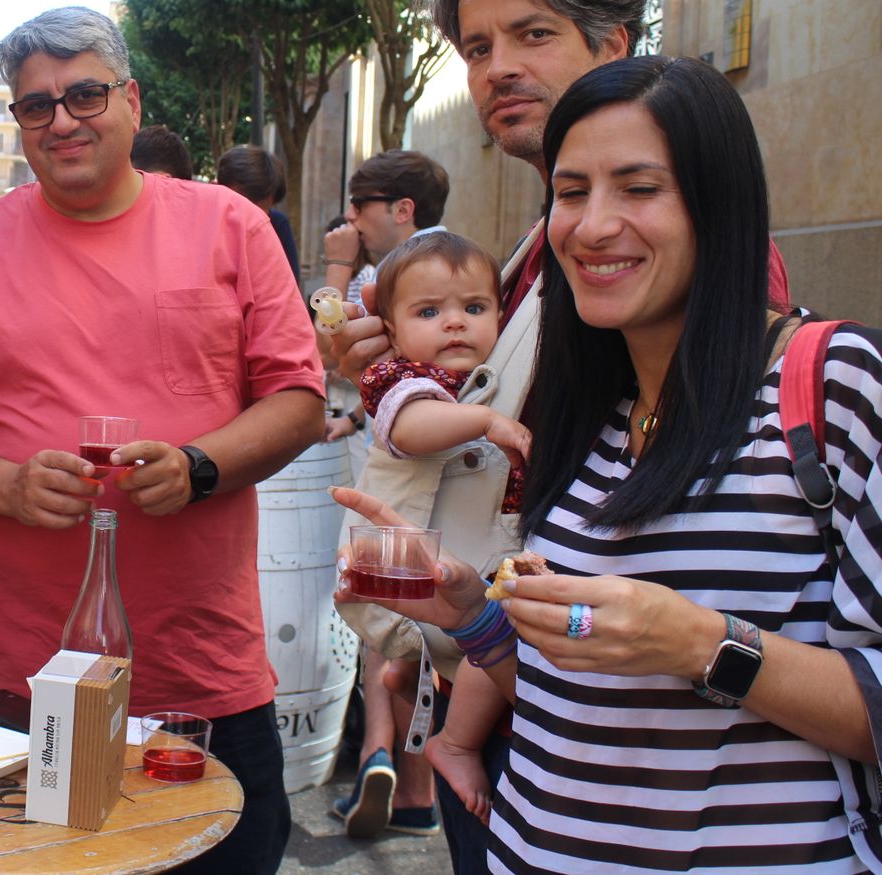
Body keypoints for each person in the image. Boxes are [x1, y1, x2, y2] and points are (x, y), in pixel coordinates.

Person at [337, 53, 882, 872]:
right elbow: (572, 704)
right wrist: (472, 613)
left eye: (638, 188)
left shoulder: (838, 384)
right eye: (571, 191)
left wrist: (701, 641)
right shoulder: (585, 408)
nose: (592, 226)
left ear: (719, 203)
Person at [0, 6, 324, 874]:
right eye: (36, 105)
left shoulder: (229, 226)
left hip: (202, 679)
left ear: (131, 100)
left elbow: (299, 400)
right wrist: (8, 486)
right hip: (24, 683)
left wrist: (200, 465)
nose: (62, 120)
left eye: (84, 94)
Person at [350, 231, 530, 827]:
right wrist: (486, 422)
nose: (454, 323)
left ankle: (417, 685)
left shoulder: (488, 377)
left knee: (483, 627)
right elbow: (412, 428)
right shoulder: (400, 378)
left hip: (456, 560)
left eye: (474, 308)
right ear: (391, 329)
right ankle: (453, 741)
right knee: (493, 626)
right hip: (409, 560)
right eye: (429, 312)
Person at [324, 151, 451, 840]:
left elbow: (320, 346)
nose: (351, 217)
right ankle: (406, 780)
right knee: (403, 629)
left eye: (360, 204)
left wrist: (337, 268)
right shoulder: (451, 264)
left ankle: (390, 763)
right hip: (412, 468)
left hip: (408, 477)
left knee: (395, 626)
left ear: (402, 209)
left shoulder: (401, 275)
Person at [217, 144, 300, 283]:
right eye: (243, 209)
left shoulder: (278, 224)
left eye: (262, 212)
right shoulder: (204, 224)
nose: (254, 223)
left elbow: (290, 285)